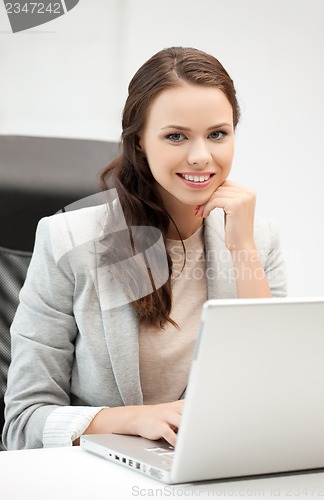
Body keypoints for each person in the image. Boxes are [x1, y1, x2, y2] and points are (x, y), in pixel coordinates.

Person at [3, 47, 286, 450]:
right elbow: (22, 424)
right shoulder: (69, 242)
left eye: (217, 134)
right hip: (97, 478)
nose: (201, 156)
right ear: (139, 143)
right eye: (175, 136)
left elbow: (274, 394)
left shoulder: (258, 238)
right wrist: (134, 419)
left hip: (216, 469)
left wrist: (241, 246)